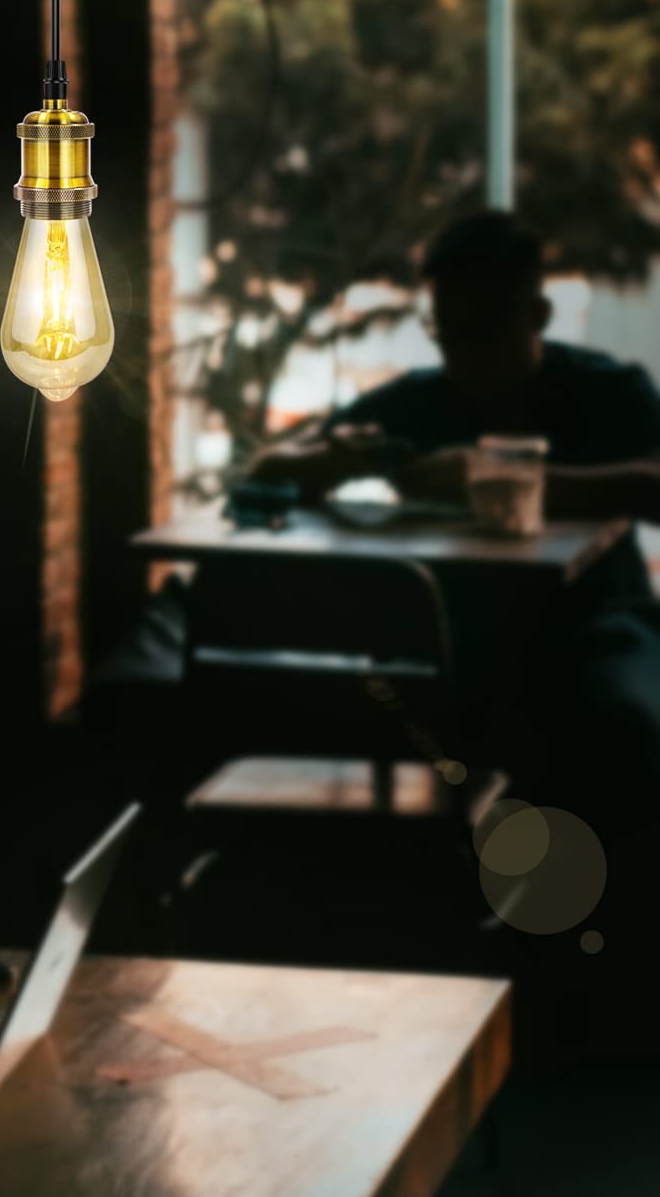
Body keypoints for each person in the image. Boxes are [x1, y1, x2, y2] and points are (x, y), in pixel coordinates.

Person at [250, 211, 660, 1018]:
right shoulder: (418, 403)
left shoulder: (604, 391)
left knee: (621, 727)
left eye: (485, 328)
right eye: (448, 332)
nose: (464, 353)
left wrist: (513, 477)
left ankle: (595, 978)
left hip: (597, 626)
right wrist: (335, 460)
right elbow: (271, 469)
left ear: (536, 317)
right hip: (458, 643)